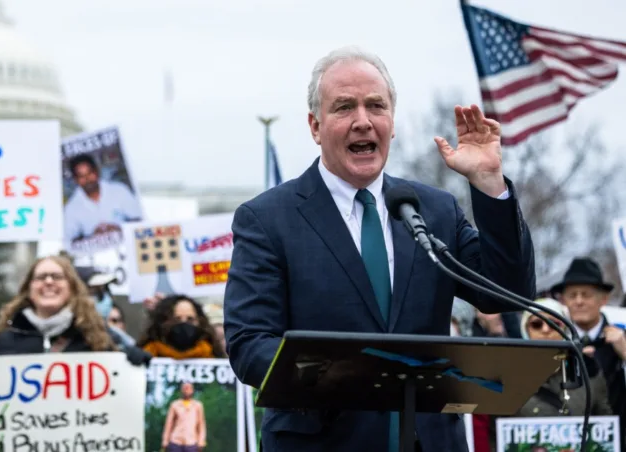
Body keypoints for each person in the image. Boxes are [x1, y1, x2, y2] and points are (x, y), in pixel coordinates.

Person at [223, 46, 534, 452]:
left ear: (392, 121)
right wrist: (343, 373)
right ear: (315, 126)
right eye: (344, 108)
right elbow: (249, 343)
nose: (363, 121)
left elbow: (506, 291)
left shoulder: (432, 210)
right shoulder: (267, 219)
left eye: (376, 106)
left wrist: (490, 183)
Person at [0, 255, 150, 365]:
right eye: (41, 277)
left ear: (72, 288)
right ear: (28, 288)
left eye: (57, 277)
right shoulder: (3, 341)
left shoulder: (97, 339)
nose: (48, 281)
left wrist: (128, 365)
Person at [552, 257, 626, 448]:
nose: (579, 301)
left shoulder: (621, 339)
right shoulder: (554, 340)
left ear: (603, 299)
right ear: (563, 301)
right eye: (572, 295)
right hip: (563, 440)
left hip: (617, 439)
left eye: (586, 294)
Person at [512, 298, 611, 417]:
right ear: (526, 330)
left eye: (555, 324)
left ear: (565, 329)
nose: (545, 330)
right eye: (536, 324)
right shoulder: (510, 372)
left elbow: (605, 421)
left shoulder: (586, 369)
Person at [62, 154, 142, 244]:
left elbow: (140, 219)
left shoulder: (119, 190)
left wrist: (119, 229)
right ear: (75, 179)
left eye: (90, 173)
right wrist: (92, 238)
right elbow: (68, 241)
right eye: (81, 176)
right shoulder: (71, 207)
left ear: (97, 172)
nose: (87, 179)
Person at [139, 295, 226, 359]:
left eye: (190, 319)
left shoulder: (215, 359)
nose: (184, 324)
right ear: (163, 323)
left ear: (200, 322)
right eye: (177, 319)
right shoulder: (145, 355)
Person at [161, 382, 207, 452]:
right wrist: (165, 440)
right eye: (185, 388)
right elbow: (168, 424)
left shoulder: (198, 406)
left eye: (189, 388)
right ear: (181, 390)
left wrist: (201, 441)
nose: (187, 390)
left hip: (191, 442)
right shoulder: (175, 405)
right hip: (176, 441)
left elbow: (201, 425)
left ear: (192, 390)